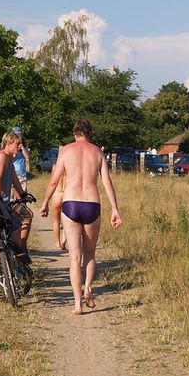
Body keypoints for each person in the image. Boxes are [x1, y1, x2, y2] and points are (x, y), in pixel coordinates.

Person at [40, 119, 123, 315]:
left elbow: (53, 181)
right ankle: (88, 289)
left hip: (71, 204)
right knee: (90, 254)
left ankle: (77, 304)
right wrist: (115, 209)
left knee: (74, 257)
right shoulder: (97, 152)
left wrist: (45, 203)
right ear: (89, 133)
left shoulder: (66, 151)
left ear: (74, 133)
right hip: (92, 204)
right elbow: (107, 182)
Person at [0, 131, 27, 245]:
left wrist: (23, 195)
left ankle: (16, 251)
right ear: (8, 144)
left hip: (4, 201)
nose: (20, 146)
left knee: (17, 223)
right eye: (17, 144)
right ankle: (17, 253)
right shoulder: (1, 156)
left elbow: (14, 179)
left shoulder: (9, 158)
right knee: (15, 226)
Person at [11, 126, 33, 251]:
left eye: (20, 134)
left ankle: (22, 243)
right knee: (13, 205)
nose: (19, 136)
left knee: (22, 203)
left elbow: (27, 157)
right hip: (14, 175)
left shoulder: (23, 146)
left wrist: (22, 146)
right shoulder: (11, 147)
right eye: (16, 134)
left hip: (22, 176)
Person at [50, 163, 67, 250]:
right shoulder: (70, 165)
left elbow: (53, 181)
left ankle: (58, 242)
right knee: (66, 221)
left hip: (57, 193)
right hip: (66, 194)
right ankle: (64, 242)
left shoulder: (55, 166)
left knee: (56, 221)